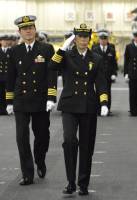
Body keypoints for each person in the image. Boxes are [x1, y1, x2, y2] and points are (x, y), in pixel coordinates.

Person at [48, 23, 109, 196]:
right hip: (69, 105)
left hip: (88, 105)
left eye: (85, 37)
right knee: (69, 141)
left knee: (87, 146)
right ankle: (70, 182)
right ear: (75, 39)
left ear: (89, 39)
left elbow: (101, 82)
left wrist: (104, 103)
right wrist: (61, 49)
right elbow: (51, 67)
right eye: (79, 37)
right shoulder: (67, 56)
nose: (83, 40)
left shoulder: (96, 58)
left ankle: (83, 183)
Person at [6, 15, 57, 185]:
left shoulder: (46, 49)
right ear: (19, 32)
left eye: (31, 28)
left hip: (40, 99)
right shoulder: (15, 51)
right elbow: (10, 77)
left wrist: (51, 97)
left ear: (35, 30)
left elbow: (51, 74)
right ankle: (27, 173)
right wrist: (9, 101)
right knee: (21, 137)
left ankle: (40, 159)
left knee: (42, 135)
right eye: (24, 29)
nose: (28, 31)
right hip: (21, 99)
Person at [92, 29, 118, 115]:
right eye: (101, 39)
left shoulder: (111, 50)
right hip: (98, 75)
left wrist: (114, 73)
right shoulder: (95, 49)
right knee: (98, 92)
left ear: (107, 40)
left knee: (107, 91)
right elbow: (92, 62)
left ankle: (107, 108)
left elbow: (114, 63)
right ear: (99, 39)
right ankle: (98, 109)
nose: (103, 41)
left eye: (105, 39)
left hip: (108, 75)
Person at [0, 34, 11, 115]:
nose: (5, 42)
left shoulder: (11, 51)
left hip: (8, 76)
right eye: (3, 40)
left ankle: (7, 108)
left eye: (7, 40)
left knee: (8, 94)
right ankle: (1, 109)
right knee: (0, 93)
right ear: (1, 42)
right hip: (0, 76)